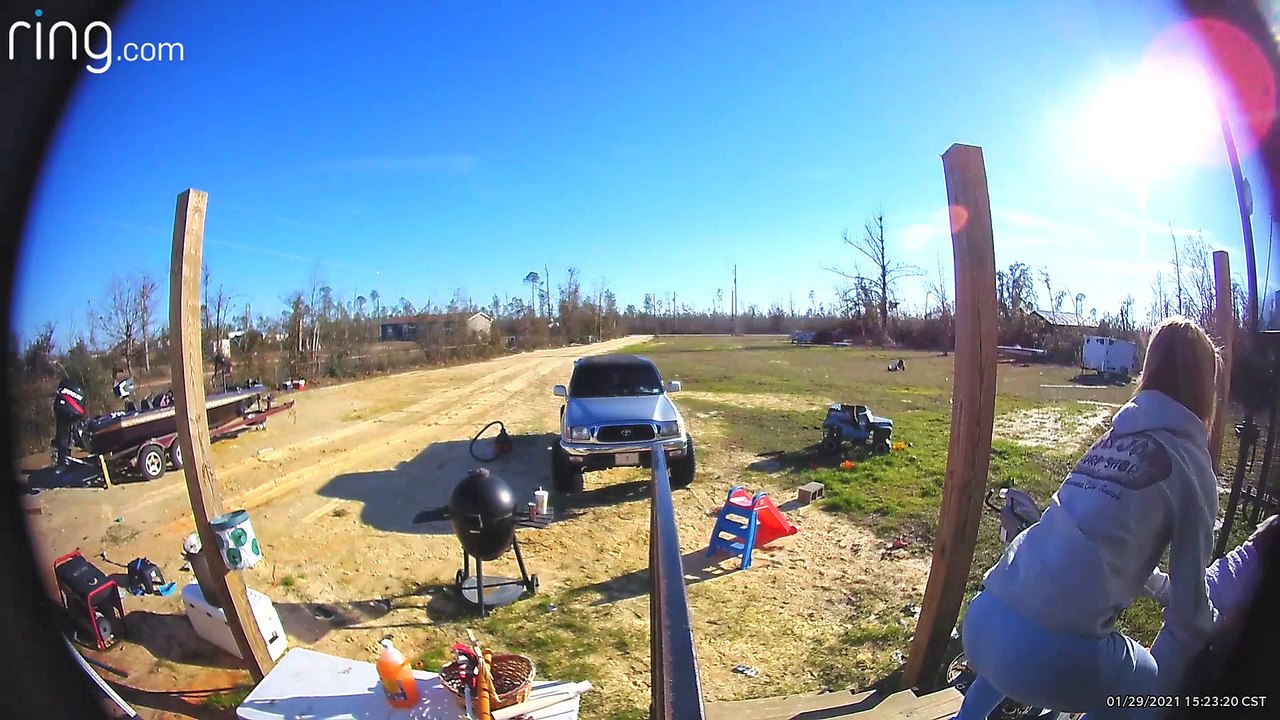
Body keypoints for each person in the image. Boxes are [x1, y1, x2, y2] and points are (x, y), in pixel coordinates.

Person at [953, 317, 1222, 719]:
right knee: (1146, 685)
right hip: (1050, 658)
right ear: (1205, 387)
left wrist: (1158, 586)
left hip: (983, 621)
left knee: (1022, 639)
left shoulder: (1111, 440)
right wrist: (1217, 623)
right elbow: (1190, 610)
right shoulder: (1191, 466)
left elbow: (1098, 542)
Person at [1142, 514, 1279, 696]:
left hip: (1211, 592)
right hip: (1208, 615)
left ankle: (1156, 583)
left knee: (1154, 679)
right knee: (1152, 690)